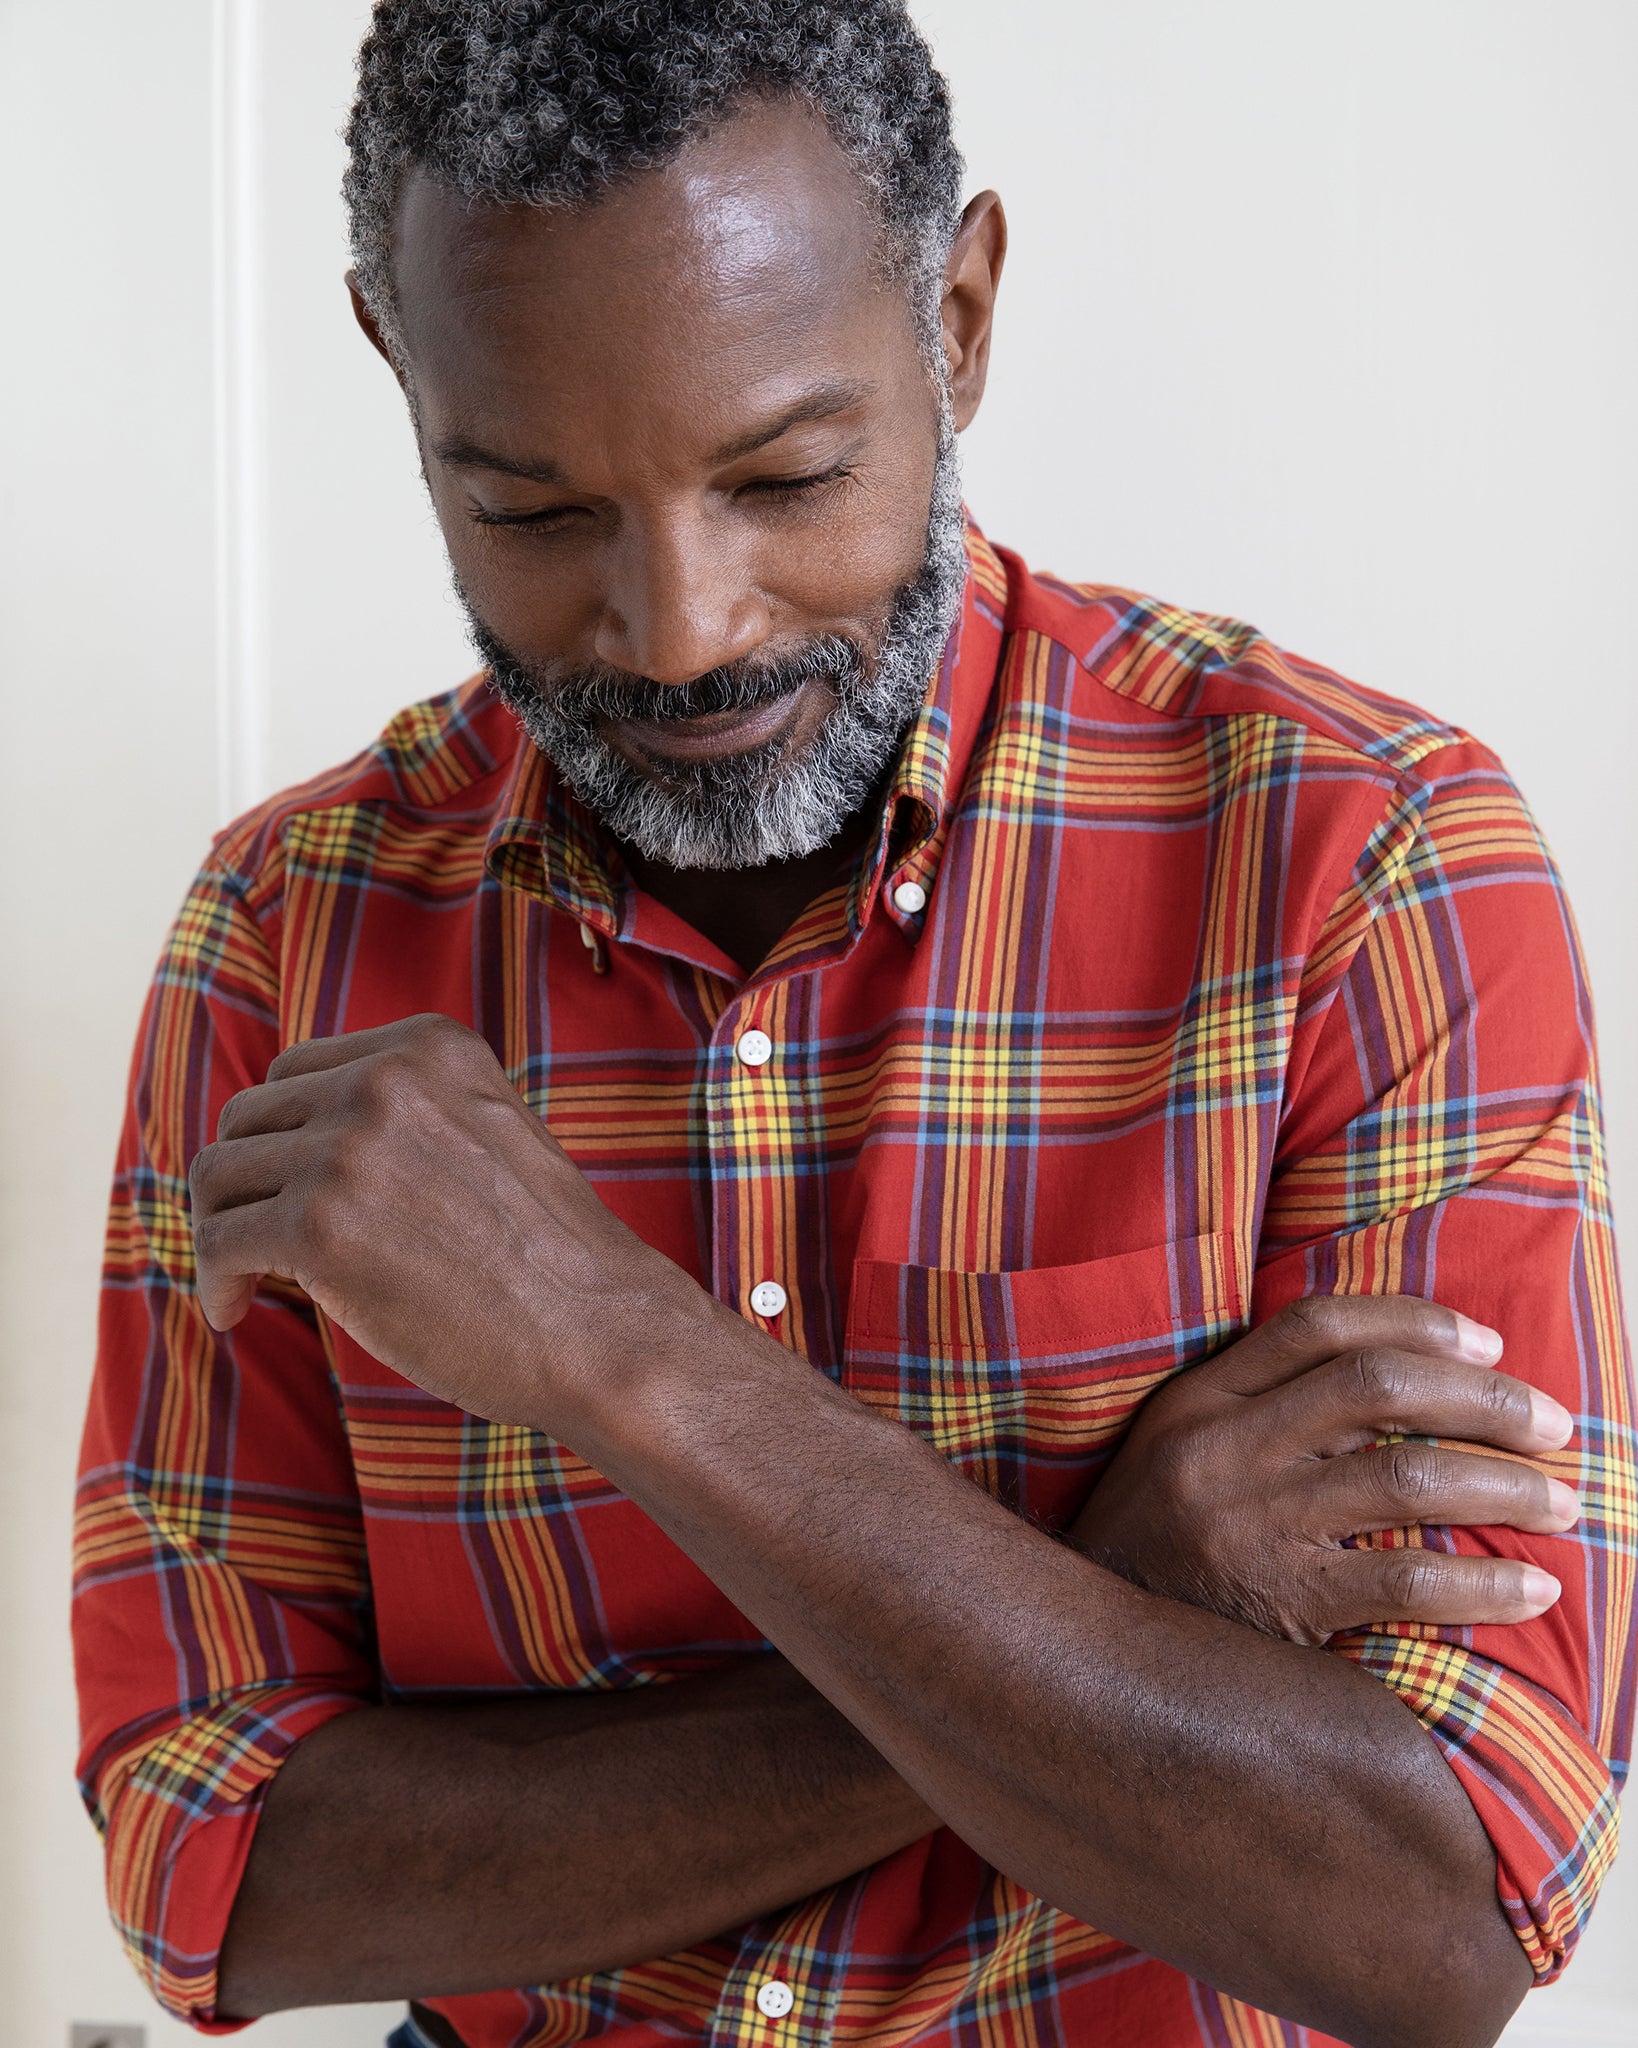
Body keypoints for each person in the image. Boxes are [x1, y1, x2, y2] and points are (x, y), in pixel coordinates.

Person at [73, 6, 1632, 2046]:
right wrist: (1102, 1591)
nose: (682, 624)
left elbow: (1431, 1911)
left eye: (784, 473)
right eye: (533, 511)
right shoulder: (290, 941)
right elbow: (221, 1873)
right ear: (399, 367)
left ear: (961, 318)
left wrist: (614, 1349)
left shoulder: (1363, 869)